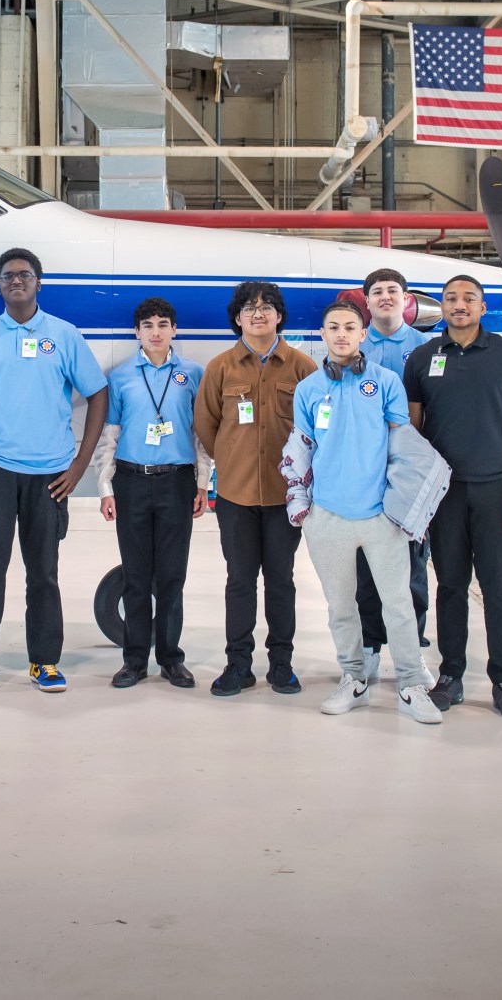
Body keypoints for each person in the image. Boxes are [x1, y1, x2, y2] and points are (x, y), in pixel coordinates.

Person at [0, 248, 108, 699]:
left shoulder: (65, 336)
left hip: (50, 474)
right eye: (8, 276)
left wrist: (79, 464)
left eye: (25, 275)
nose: (17, 281)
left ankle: (45, 662)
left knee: (44, 574)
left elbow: (98, 394)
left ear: (38, 283)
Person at [286, 300, 442, 725]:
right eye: (333, 327)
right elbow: (300, 449)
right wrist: (302, 506)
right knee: (341, 607)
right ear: (323, 335)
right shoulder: (309, 389)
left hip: (380, 517)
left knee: (398, 604)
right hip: (328, 517)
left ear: (362, 333)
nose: (340, 334)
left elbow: (403, 447)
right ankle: (353, 678)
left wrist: (408, 507)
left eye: (349, 327)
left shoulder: (386, 382)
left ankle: (410, 684)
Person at [404, 272, 502, 718]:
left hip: (498, 488)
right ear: (441, 307)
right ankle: (451, 675)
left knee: (499, 588)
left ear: (483, 308)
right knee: (450, 587)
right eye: (450, 298)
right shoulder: (423, 358)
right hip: (442, 494)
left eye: (469, 298)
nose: (459, 304)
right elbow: (412, 431)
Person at [195, 279, 317, 697]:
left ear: (279, 316)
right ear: (237, 318)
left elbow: (319, 427)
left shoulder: (302, 367)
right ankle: (238, 665)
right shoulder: (221, 367)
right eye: (249, 307)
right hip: (236, 496)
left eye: (267, 307)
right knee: (240, 581)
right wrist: (231, 458)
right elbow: (207, 423)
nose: (258, 313)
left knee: (281, 581)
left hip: (287, 497)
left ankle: (281, 664)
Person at [94, 298, 209, 689]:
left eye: (163, 324)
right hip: (131, 482)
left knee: (172, 577)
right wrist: (106, 488)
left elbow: (200, 436)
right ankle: (134, 661)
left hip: (177, 482)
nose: (155, 331)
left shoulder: (193, 373)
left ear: (174, 330)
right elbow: (110, 437)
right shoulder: (121, 375)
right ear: (137, 332)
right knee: (137, 577)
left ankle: (171, 659)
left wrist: (202, 484)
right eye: (147, 325)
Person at [355, 267, 431, 683]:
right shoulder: (354, 347)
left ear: (406, 299)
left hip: (410, 475)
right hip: (365, 475)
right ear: (366, 301)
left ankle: (413, 651)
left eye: (393, 291)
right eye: (377, 291)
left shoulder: (426, 349)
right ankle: (369, 648)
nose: (385, 297)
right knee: (365, 566)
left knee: (412, 567)